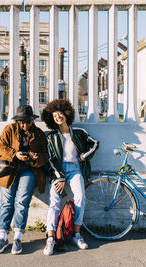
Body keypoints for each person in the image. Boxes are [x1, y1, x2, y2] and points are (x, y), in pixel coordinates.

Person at [41, 99, 99, 256]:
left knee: (80, 196)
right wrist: (59, 177)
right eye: (54, 116)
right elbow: (49, 159)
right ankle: (51, 237)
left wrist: (82, 157)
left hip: (74, 169)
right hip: (57, 171)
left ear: (66, 114)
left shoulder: (79, 132)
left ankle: (76, 234)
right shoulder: (50, 137)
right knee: (54, 201)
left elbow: (94, 144)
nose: (58, 117)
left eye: (60, 113)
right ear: (51, 119)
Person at [0, 105, 48, 255]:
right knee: (6, 202)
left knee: (22, 201)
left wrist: (35, 158)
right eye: (22, 121)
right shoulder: (9, 129)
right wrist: (15, 154)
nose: (24, 125)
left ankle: (18, 237)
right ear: (17, 120)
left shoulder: (39, 133)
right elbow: (0, 147)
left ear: (32, 120)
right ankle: (2, 237)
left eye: (27, 121)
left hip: (29, 170)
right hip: (9, 170)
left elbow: (45, 155)